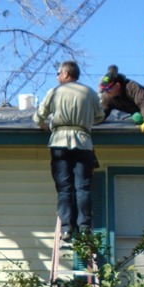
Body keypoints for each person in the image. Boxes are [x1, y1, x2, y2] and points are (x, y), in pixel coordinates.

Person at [33, 61, 104, 243]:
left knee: (64, 189)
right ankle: (85, 227)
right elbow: (100, 116)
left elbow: (38, 116)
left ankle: (66, 228)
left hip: (59, 142)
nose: (57, 77)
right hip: (83, 142)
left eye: (58, 73)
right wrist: (85, 120)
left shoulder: (55, 92)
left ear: (65, 74)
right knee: (83, 187)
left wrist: (45, 126)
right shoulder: (89, 93)